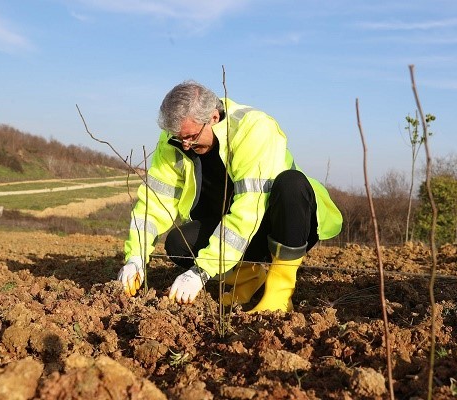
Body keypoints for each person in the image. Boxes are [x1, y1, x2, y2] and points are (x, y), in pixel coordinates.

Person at [118, 80, 342, 312]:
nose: (185, 145)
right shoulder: (174, 140)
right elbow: (154, 202)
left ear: (213, 117)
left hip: (286, 223)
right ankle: (246, 279)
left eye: (192, 137)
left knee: (291, 184)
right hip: (241, 229)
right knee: (179, 244)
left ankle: (279, 293)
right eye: (179, 138)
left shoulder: (254, 129)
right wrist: (136, 256)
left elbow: (249, 209)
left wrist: (201, 271)